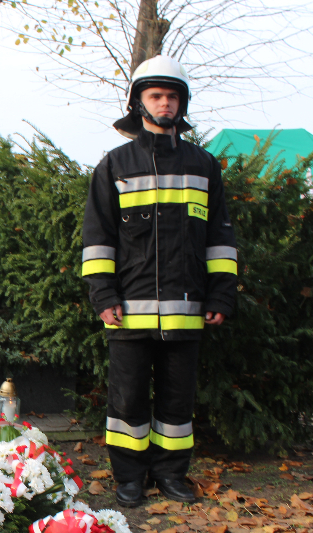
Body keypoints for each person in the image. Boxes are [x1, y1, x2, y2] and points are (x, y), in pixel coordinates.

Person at [81, 55, 237, 508]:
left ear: (181, 104)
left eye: (172, 96)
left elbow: (220, 236)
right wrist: (103, 295)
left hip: (189, 309)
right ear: (139, 102)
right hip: (128, 310)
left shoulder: (204, 165)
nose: (165, 103)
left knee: (177, 402)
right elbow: (98, 237)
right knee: (127, 401)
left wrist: (222, 292)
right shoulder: (115, 165)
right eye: (156, 96)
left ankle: (171, 474)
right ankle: (129, 477)